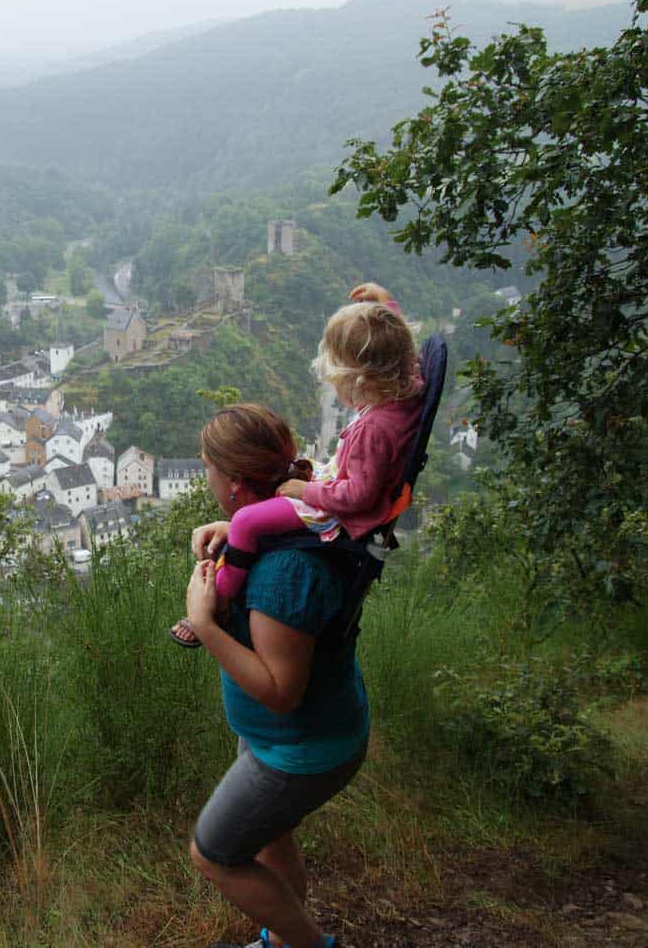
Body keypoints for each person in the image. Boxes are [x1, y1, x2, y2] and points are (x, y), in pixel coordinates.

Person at [178, 403, 368, 948]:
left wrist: (202, 623)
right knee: (270, 838)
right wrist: (233, 532)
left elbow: (281, 692)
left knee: (214, 853)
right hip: (283, 737)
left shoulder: (285, 573)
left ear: (235, 484)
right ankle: (280, 942)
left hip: (300, 747)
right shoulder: (288, 527)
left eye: (208, 468)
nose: (206, 476)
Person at [171, 283, 423, 650]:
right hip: (342, 488)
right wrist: (386, 308)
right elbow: (403, 353)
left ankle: (221, 601)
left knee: (245, 522)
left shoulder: (374, 429)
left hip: (344, 511)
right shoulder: (405, 388)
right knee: (255, 514)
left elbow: (359, 495)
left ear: (361, 380)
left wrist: (305, 491)